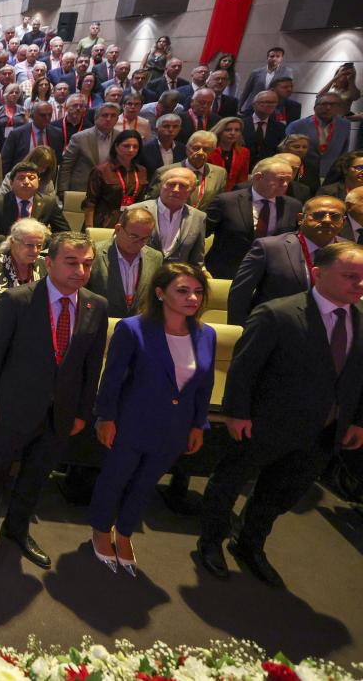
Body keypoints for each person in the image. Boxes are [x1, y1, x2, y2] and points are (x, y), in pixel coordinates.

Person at [198, 242, 363, 588]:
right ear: (319, 274)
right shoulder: (279, 313)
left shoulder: (360, 321)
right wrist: (236, 414)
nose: (359, 284)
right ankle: (210, 543)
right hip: (264, 423)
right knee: (228, 484)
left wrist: (356, 420)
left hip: (323, 431)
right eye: (351, 276)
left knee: (281, 494)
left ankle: (249, 543)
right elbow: (244, 371)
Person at [0, 232, 109, 569]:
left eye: (87, 264)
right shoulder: (17, 300)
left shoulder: (96, 305)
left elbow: (92, 366)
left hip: (60, 413)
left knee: (36, 477)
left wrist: (82, 412)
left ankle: (16, 529)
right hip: (13, 407)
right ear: (48, 263)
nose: (80, 270)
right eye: (72, 262)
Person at [90, 262, 214, 575]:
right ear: (160, 293)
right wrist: (106, 417)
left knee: (145, 484)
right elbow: (113, 379)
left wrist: (199, 423)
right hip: (132, 421)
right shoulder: (133, 328)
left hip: (175, 426)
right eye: (183, 291)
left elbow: (204, 385)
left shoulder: (206, 334)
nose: (193, 298)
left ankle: (126, 531)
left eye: (198, 292)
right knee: (115, 479)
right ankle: (101, 529)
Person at [227, 196, 347, 325]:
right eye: (319, 215)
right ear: (301, 219)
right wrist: (240, 331)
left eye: (335, 216)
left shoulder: (352, 252)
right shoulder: (270, 248)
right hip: (276, 330)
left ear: (343, 222)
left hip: (332, 330)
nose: (327, 220)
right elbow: (240, 294)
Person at [204, 157, 300, 280]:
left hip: (271, 274)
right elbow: (201, 234)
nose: (285, 185)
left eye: (288, 180)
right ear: (258, 177)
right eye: (280, 180)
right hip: (226, 272)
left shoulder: (293, 205)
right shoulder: (226, 201)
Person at [0, 161, 70, 246]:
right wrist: (6, 240)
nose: (26, 182)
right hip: (5, 253)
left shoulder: (49, 203)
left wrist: (44, 240)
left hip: (37, 254)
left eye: (31, 178)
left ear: (38, 181)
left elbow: (65, 233)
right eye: (21, 178)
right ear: (11, 182)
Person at [87, 207, 163, 318]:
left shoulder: (156, 257)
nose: (139, 243)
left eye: (144, 239)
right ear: (118, 229)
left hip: (139, 326)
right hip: (101, 325)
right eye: (134, 236)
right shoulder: (93, 254)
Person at [130, 166, 208, 268]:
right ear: (161, 185)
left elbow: (196, 261)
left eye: (183, 186)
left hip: (176, 279)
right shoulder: (135, 210)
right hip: (138, 275)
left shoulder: (198, 217)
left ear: (192, 190)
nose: (176, 190)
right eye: (171, 184)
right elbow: (119, 248)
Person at [0, 218, 49, 310]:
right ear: (13, 242)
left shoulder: (46, 265)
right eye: (29, 245)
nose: (35, 250)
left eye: (39, 245)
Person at [82, 131, 148, 229]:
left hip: (129, 221)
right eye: (126, 146)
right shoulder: (101, 170)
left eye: (135, 147)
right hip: (103, 222)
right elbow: (90, 203)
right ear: (116, 147)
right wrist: (89, 229)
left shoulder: (141, 171)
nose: (131, 150)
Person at [208, 116, 250, 192]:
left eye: (237, 130)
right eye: (228, 130)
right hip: (210, 192)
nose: (233, 133)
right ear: (220, 131)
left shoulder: (244, 152)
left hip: (232, 194)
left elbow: (243, 178)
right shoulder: (209, 150)